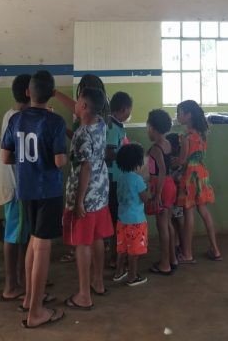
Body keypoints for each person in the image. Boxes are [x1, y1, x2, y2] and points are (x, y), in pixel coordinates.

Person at [1, 70, 67, 328]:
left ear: (28, 92)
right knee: (42, 247)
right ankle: (37, 312)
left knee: (32, 242)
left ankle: (30, 298)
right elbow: (59, 161)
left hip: (25, 189)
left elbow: (6, 157)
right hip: (48, 190)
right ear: (51, 94)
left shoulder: (15, 119)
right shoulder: (55, 121)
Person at [62, 87, 113, 310]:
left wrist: (79, 201)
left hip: (85, 195)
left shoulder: (83, 133)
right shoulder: (100, 123)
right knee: (96, 237)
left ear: (83, 106)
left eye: (77, 102)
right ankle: (98, 282)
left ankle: (84, 295)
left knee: (82, 242)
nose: (74, 105)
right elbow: (87, 150)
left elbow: (85, 167)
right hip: (100, 192)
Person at [0, 74, 32, 302]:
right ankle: (10, 286)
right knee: (13, 236)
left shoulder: (12, 114)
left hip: (18, 186)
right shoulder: (19, 118)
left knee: (21, 235)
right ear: (29, 92)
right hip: (16, 187)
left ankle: (23, 278)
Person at [174, 100, 222, 263]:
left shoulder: (186, 137)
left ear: (188, 115)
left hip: (189, 176)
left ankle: (187, 254)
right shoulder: (202, 134)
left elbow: (182, 160)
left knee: (188, 212)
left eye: (179, 113)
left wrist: (171, 163)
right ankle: (215, 249)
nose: (177, 116)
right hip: (201, 173)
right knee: (204, 211)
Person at [145, 109, 178, 275]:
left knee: (162, 226)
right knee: (168, 223)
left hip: (161, 186)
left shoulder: (155, 149)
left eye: (148, 127)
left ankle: (165, 264)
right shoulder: (167, 143)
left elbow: (162, 171)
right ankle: (172, 258)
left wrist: (157, 194)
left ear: (152, 128)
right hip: (170, 185)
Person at [113, 143, 150, 286]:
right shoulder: (137, 179)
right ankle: (132, 277)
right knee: (134, 252)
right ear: (137, 162)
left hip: (122, 220)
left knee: (122, 249)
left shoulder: (121, 178)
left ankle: (118, 272)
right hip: (136, 221)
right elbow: (145, 198)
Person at [106, 91, 133, 267]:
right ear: (123, 109)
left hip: (119, 178)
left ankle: (118, 254)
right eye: (129, 110)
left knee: (118, 217)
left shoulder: (118, 126)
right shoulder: (112, 128)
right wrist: (126, 156)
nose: (129, 114)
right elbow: (109, 153)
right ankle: (115, 257)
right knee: (116, 218)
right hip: (113, 180)